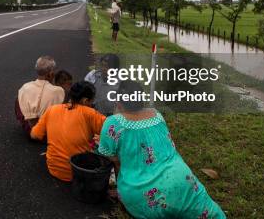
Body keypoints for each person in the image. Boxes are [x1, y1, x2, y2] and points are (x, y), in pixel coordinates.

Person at [97, 80, 226, 219]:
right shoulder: (156, 115)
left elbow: (115, 163)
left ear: (118, 103)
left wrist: (121, 191)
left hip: (142, 193)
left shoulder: (112, 123)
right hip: (183, 181)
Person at [30, 81, 106, 181]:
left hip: (54, 168)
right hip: (79, 172)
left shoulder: (52, 109)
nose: (92, 104)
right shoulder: (90, 113)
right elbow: (114, 130)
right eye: (91, 101)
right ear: (85, 100)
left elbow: (34, 134)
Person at [15, 56, 65, 135]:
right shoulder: (58, 90)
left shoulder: (25, 87)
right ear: (50, 74)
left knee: (18, 98)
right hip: (47, 134)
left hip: (29, 131)